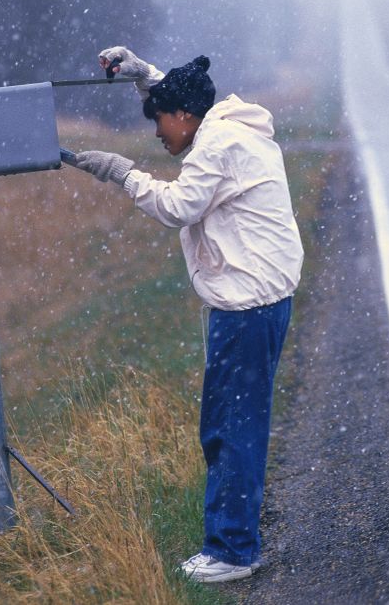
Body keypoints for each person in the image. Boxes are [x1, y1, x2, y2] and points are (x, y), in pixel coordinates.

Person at [70, 46, 304, 584]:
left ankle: (233, 552)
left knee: (231, 431)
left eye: (159, 123)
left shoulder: (216, 144)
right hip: (259, 302)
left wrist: (121, 173)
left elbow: (177, 206)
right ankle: (231, 540)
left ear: (184, 118)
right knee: (227, 427)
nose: (158, 135)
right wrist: (145, 76)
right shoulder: (223, 123)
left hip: (247, 308)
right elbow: (181, 97)